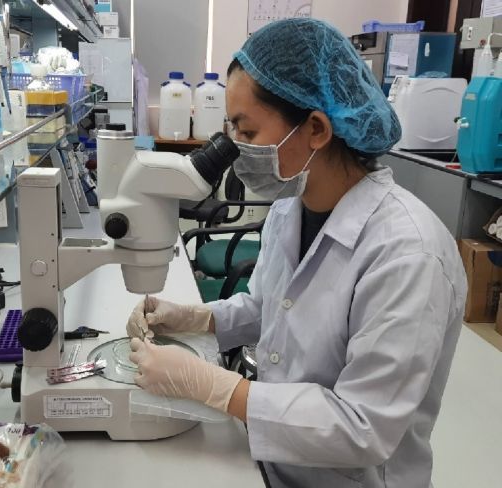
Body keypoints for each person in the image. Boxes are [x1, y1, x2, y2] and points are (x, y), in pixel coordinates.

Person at [127, 18, 466, 488]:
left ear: (316, 129)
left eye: (247, 132)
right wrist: (195, 318)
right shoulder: (292, 205)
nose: (235, 148)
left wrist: (218, 388)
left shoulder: (408, 254)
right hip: (276, 462)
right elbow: (269, 308)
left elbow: (362, 427)